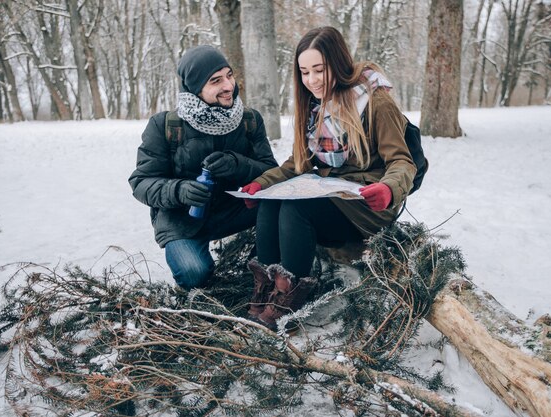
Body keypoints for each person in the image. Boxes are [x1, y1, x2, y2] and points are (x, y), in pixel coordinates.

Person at [240, 26, 418, 330]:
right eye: (305, 72)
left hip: (367, 203)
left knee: (298, 208)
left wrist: (387, 189)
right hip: (332, 196)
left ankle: (288, 302)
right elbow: (298, 163)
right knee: (272, 202)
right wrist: (262, 185)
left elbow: (402, 161)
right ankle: (268, 289)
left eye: (319, 70)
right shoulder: (314, 106)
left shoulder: (374, 102)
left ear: (337, 62)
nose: (312, 80)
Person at [129, 45, 278, 290]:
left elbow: (271, 172)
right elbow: (141, 182)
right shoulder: (164, 125)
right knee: (193, 272)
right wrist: (179, 191)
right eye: (215, 81)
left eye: (229, 75)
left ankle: (258, 265)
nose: (228, 86)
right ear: (196, 88)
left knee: (283, 204)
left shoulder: (250, 120)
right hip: (182, 220)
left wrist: (237, 165)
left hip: (234, 210)